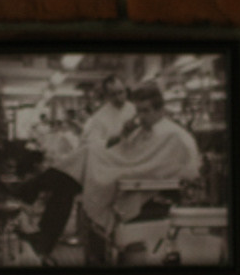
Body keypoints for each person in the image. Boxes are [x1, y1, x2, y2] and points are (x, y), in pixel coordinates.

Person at [76, 80, 202, 265]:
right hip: (141, 191)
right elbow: (128, 158)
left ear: (160, 111)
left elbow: (184, 173)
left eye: (146, 111)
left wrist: (124, 173)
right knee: (89, 204)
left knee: (94, 211)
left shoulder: (172, 135)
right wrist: (125, 137)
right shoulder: (144, 131)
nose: (140, 117)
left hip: (163, 198)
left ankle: (99, 265)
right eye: (138, 111)